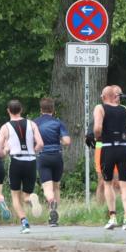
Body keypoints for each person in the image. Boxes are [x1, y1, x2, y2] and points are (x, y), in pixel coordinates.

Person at [94, 85, 126, 230]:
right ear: (115, 97)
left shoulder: (100, 108)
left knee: (107, 183)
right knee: (124, 184)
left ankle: (113, 217)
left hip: (108, 148)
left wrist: (97, 137)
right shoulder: (125, 110)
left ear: (103, 97)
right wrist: (121, 132)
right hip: (123, 148)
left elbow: (97, 128)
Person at [0, 100, 44, 234]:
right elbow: (40, 144)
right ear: (21, 110)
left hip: (16, 161)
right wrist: (33, 150)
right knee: (26, 195)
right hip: (31, 160)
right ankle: (30, 199)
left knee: (15, 197)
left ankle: (25, 222)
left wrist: (6, 150)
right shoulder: (32, 124)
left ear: (8, 111)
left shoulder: (5, 127)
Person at [34, 97, 71, 227]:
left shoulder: (35, 123)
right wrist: (58, 141)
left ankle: (51, 203)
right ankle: (54, 215)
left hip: (43, 156)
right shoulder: (58, 123)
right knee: (56, 187)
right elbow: (67, 141)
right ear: (53, 110)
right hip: (57, 156)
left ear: (41, 110)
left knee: (47, 188)